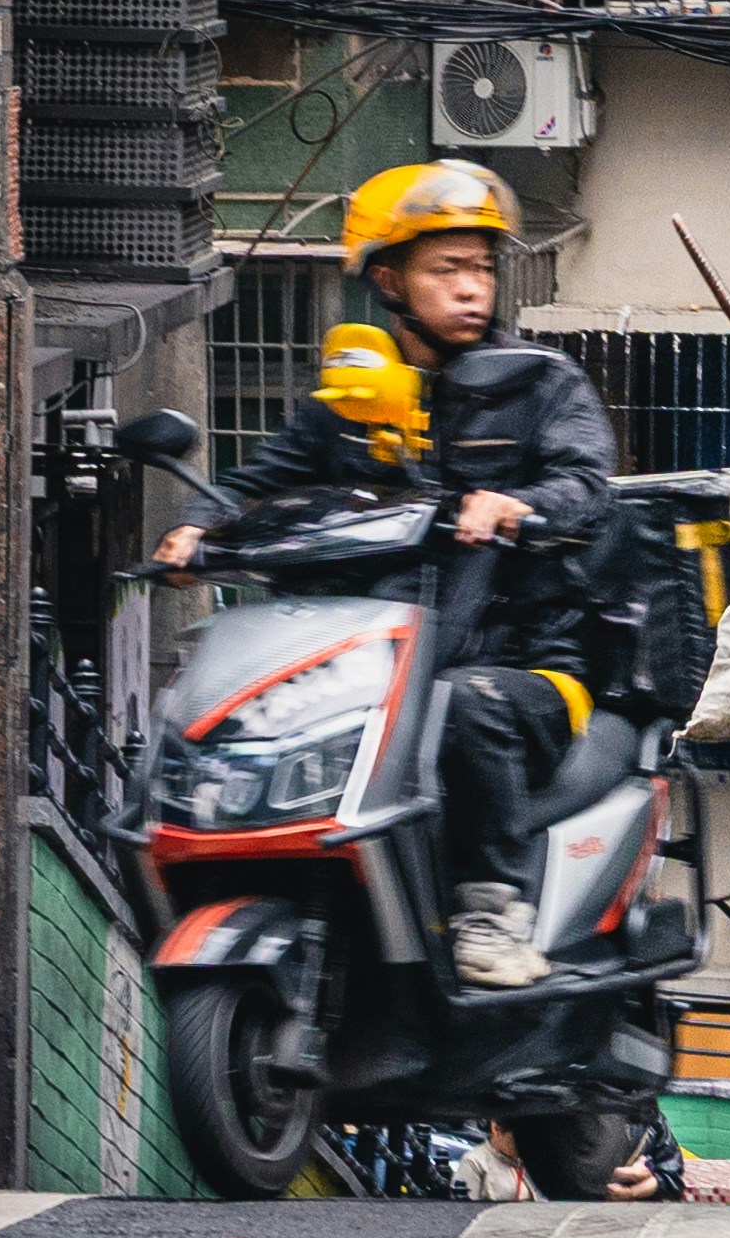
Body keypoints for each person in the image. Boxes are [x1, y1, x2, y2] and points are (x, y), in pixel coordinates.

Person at [153, 157, 617, 989]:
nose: (473, 287)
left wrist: (513, 506)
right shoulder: (352, 404)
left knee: (463, 704)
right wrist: (195, 529)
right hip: (383, 660)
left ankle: (490, 912)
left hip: (529, 664)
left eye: (481, 267)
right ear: (390, 282)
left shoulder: (543, 386)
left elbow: (585, 487)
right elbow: (257, 482)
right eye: (448, 270)